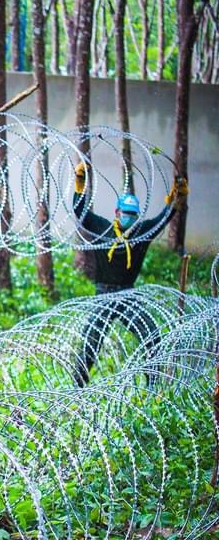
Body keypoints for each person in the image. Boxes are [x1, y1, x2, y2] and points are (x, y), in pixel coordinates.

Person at [71, 162, 188, 386]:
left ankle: (153, 384)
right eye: (126, 213)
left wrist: (175, 198)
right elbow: (80, 213)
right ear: (117, 213)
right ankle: (78, 388)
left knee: (151, 335)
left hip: (127, 294)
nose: (130, 218)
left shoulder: (142, 233)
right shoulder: (102, 228)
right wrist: (80, 185)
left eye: (134, 214)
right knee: (91, 341)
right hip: (103, 294)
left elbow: (162, 219)